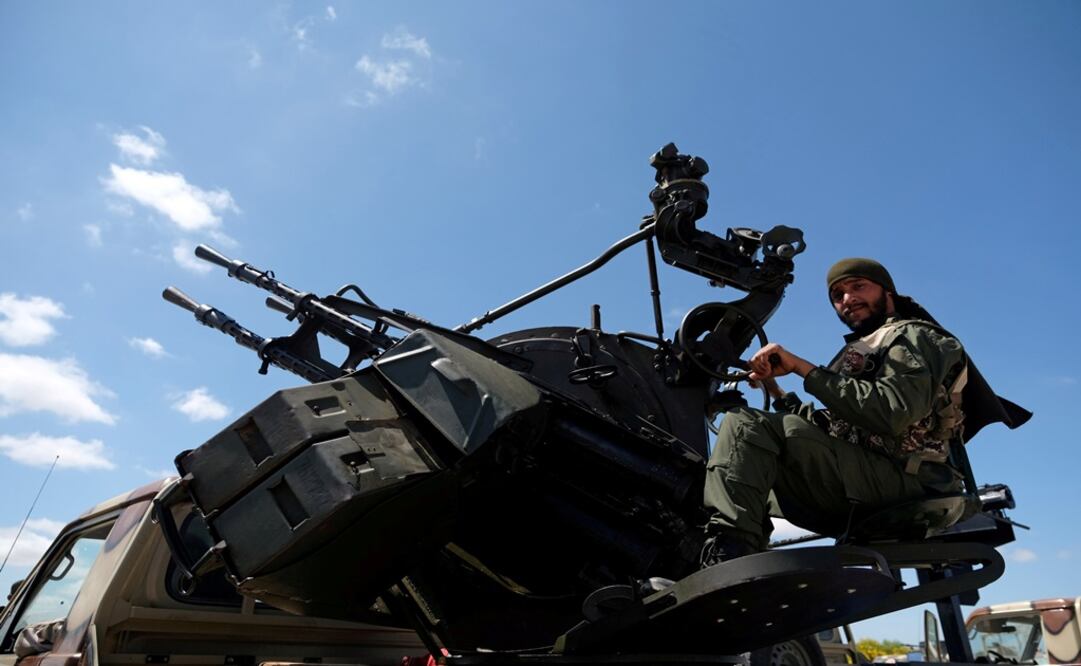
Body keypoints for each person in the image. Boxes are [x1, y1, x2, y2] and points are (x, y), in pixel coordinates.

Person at [701, 257, 973, 564]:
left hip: (910, 480)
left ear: (887, 293)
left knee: (745, 425)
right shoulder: (862, 349)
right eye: (838, 295)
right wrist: (774, 390)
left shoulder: (914, 336)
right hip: (869, 472)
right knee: (737, 472)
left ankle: (731, 557)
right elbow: (830, 429)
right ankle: (735, 558)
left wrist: (804, 369)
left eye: (858, 286)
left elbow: (892, 412)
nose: (848, 299)